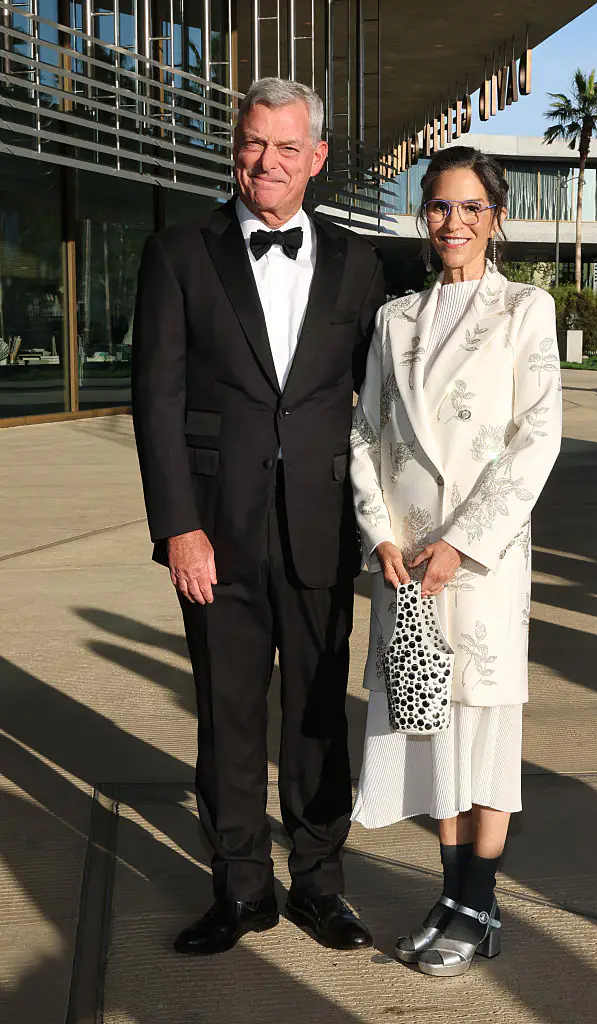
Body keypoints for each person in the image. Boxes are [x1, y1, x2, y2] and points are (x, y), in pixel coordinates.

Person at [132, 77, 385, 956]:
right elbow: (156, 401)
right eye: (251, 144)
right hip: (216, 533)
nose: (264, 163)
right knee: (228, 719)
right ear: (233, 148)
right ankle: (242, 890)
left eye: (285, 148)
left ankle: (321, 885)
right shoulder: (178, 251)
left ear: (316, 158)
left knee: (317, 719)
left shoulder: (359, 263)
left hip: (321, 527)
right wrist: (177, 526)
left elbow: (382, 408)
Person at [350, 146, 562, 978]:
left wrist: (463, 541)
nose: (454, 222)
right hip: (404, 565)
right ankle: (454, 899)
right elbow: (365, 431)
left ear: (495, 217)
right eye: (439, 206)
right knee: (428, 728)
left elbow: (535, 437)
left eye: (471, 207)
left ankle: (477, 905)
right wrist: (377, 533)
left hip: (479, 563)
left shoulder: (524, 310)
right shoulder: (392, 319)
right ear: (423, 214)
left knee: (484, 730)